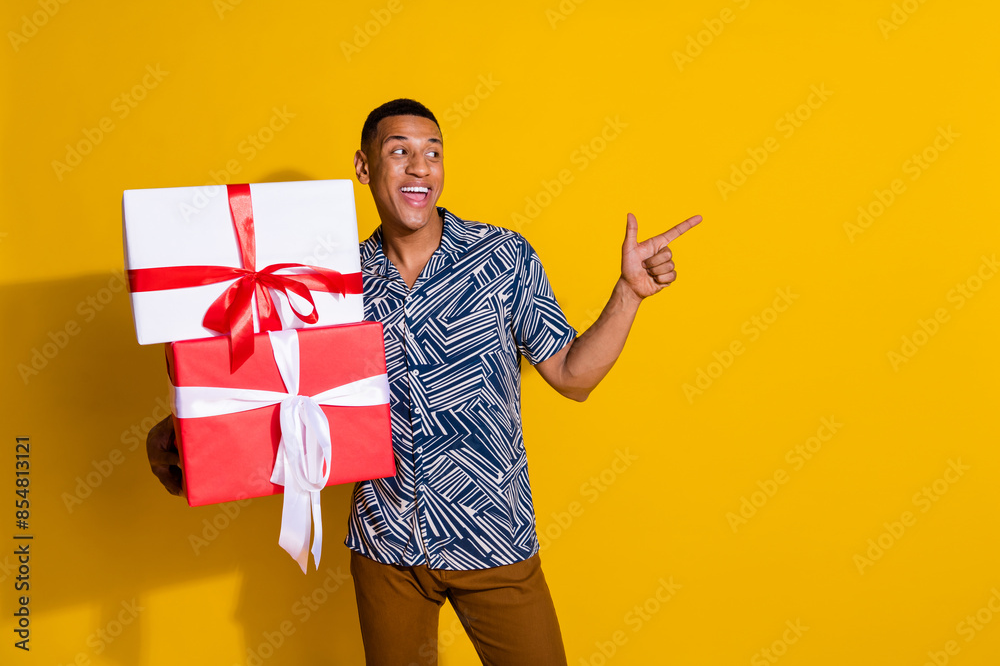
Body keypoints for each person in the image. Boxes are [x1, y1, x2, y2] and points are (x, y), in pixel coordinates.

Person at [146, 98, 702, 665]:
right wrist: (184, 426)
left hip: (493, 539)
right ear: (364, 168)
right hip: (385, 548)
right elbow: (274, 381)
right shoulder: (334, 284)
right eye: (401, 152)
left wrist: (629, 293)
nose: (420, 167)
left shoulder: (503, 259)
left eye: (433, 153)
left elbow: (573, 376)